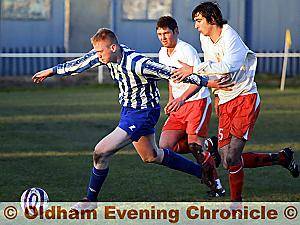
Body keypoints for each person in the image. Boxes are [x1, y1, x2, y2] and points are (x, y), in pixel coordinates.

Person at [32, 28, 232, 209]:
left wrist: (208, 82)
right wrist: (51, 71)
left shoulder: (138, 63)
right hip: (128, 111)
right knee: (151, 156)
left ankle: (90, 200)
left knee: (101, 152)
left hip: (144, 113)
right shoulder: (105, 55)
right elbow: (80, 64)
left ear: (113, 47)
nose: (98, 56)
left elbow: (172, 73)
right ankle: (203, 172)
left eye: (101, 52)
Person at [172, 2, 299, 203]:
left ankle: (236, 203)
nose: (196, 26)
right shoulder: (205, 38)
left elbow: (227, 67)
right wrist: (214, 89)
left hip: (244, 98)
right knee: (226, 160)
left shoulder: (230, 37)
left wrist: (194, 69)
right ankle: (281, 158)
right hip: (225, 100)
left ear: (211, 19)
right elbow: (214, 68)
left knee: (232, 156)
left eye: (198, 21)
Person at [156, 16, 224, 197]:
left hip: (197, 102)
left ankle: (217, 186)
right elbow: (171, 79)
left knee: (196, 147)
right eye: (160, 34)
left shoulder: (187, 50)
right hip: (179, 105)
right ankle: (210, 144)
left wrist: (182, 99)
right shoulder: (162, 53)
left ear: (176, 31)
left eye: (167, 33)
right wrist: (172, 99)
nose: (163, 37)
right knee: (165, 147)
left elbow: (199, 81)